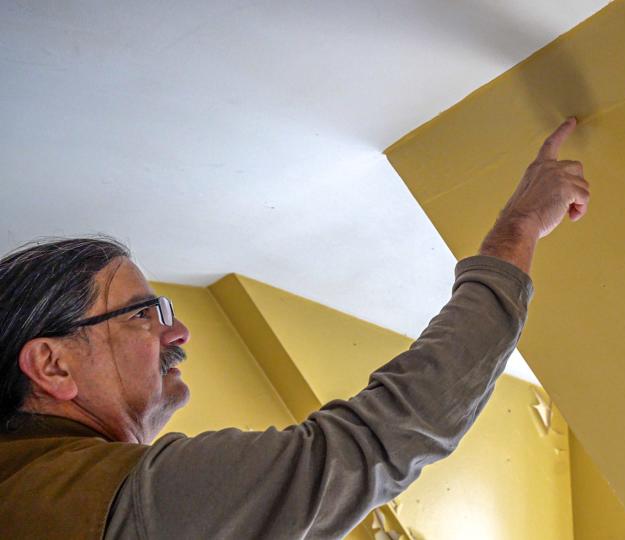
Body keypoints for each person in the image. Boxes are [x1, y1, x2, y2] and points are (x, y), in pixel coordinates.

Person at [0, 117, 589, 539]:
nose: (177, 336)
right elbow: (386, 435)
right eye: (140, 314)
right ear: (54, 365)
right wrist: (519, 228)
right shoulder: (113, 498)